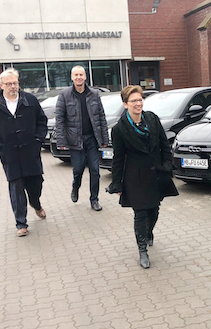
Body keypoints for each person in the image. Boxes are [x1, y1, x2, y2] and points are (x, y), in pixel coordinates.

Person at [106, 85, 178, 269]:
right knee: (140, 213)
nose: (138, 104)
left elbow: (164, 144)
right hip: (135, 176)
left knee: (154, 211)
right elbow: (118, 158)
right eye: (134, 101)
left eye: (140, 100)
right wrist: (117, 184)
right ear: (125, 104)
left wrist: (167, 166)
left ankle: (148, 232)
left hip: (156, 172)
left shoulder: (152, 119)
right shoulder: (119, 129)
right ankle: (142, 249)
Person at [0, 68, 48, 237]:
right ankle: (21, 223)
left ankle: (36, 203)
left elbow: (42, 121)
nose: (13, 86)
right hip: (9, 154)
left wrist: (38, 140)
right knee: (16, 187)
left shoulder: (30, 100)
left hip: (30, 151)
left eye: (15, 83)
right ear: (1, 85)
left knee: (36, 183)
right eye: (9, 84)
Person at [55, 65, 109, 211]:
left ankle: (94, 200)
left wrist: (105, 139)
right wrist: (61, 141)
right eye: (76, 75)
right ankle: (75, 186)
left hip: (92, 138)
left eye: (81, 74)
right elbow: (59, 119)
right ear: (72, 77)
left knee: (95, 170)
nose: (79, 77)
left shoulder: (94, 94)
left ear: (85, 77)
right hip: (75, 140)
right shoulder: (64, 95)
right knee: (78, 169)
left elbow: (101, 116)